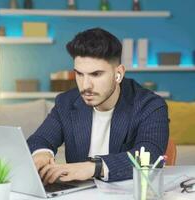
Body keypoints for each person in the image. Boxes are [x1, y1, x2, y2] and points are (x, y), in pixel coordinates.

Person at [27, 27, 169, 184]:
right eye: (79, 74)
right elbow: (40, 139)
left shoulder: (150, 105)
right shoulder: (65, 102)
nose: (85, 85)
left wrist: (93, 167)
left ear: (118, 74)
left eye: (96, 74)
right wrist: (41, 154)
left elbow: (151, 154)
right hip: (79, 195)